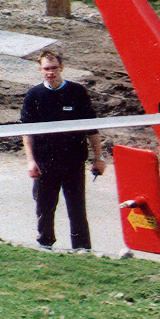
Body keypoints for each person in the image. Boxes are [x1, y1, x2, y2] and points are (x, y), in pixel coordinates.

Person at [21, 50, 103, 250]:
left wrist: (98, 157)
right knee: (45, 208)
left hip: (73, 162)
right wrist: (30, 161)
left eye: (54, 68)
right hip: (45, 163)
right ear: (41, 70)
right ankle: (45, 244)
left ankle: (82, 248)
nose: (51, 73)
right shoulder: (34, 95)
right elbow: (26, 132)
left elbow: (91, 128)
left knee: (77, 209)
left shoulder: (76, 92)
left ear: (61, 68)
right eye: (46, 69)